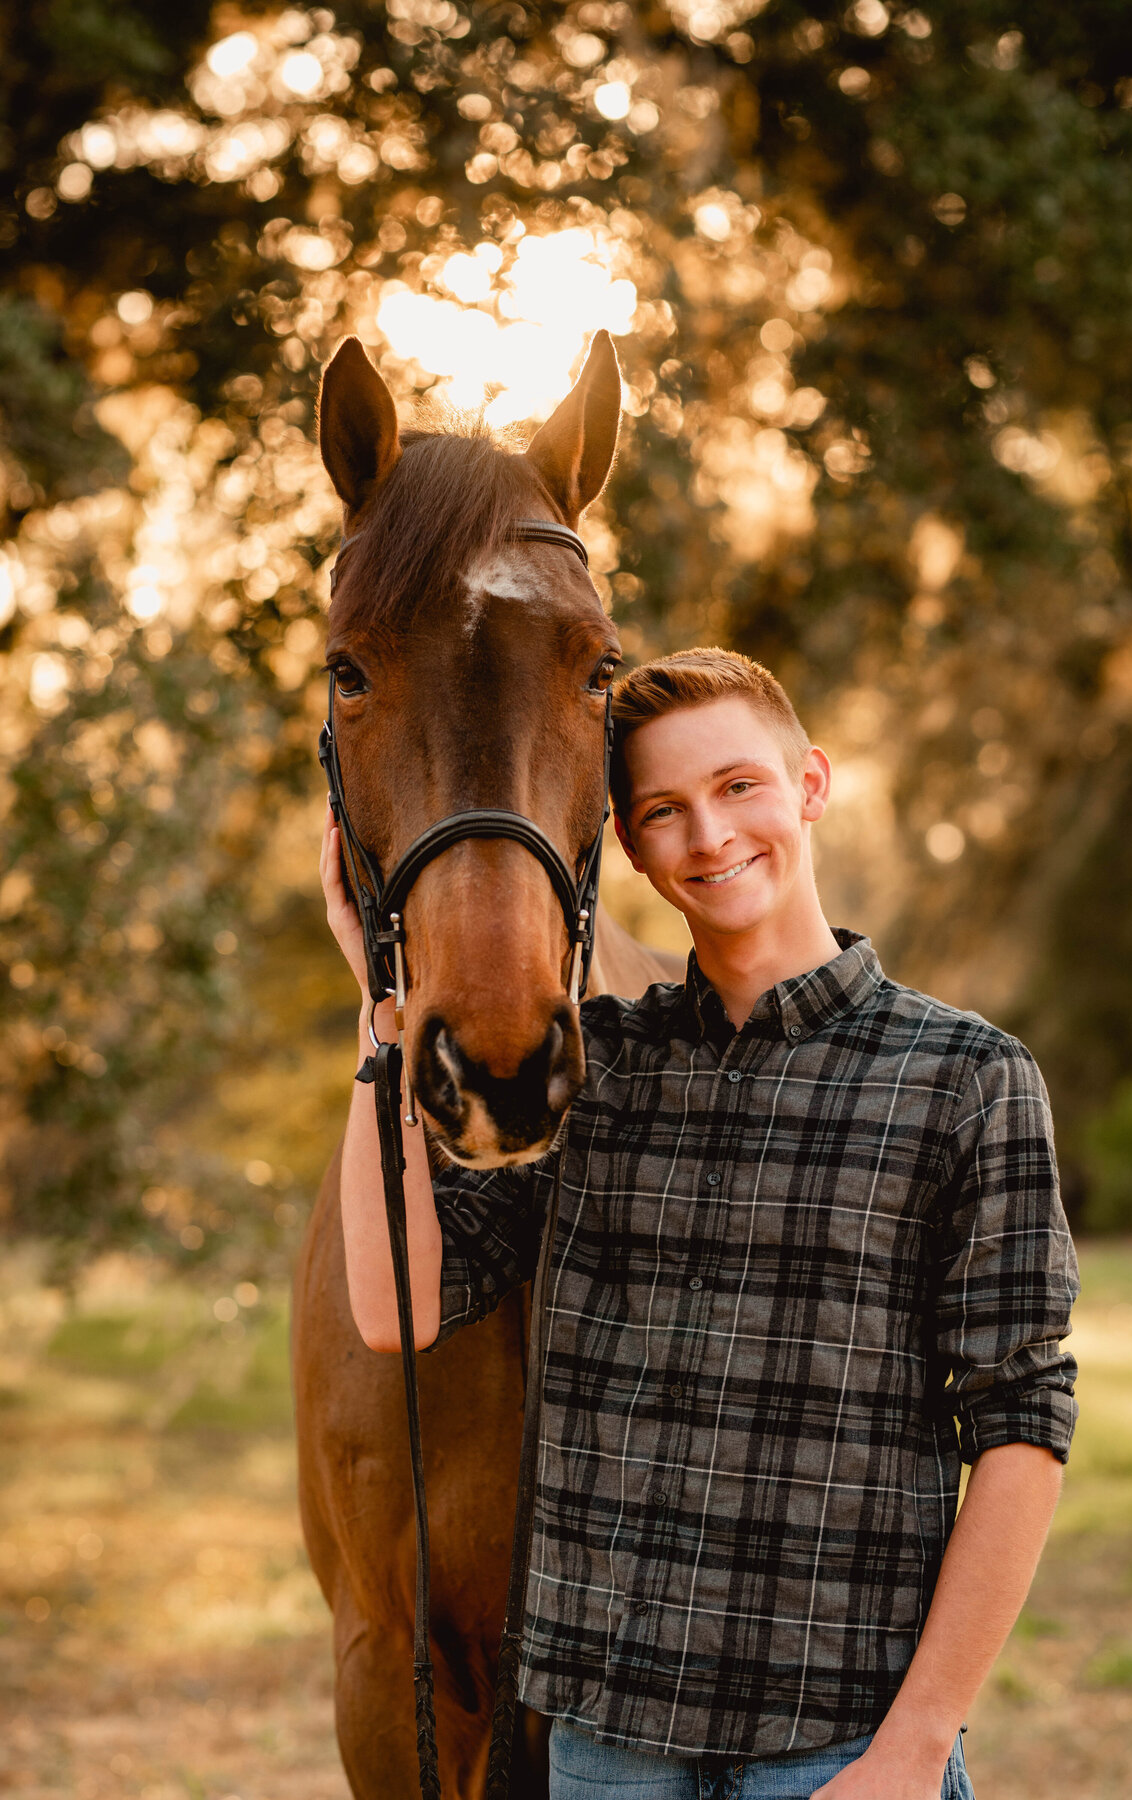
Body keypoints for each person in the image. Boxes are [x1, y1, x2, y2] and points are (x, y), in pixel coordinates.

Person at [322, 646, 1080, 1800]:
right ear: (627, 846)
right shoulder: (601, 1072)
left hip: (841, 1746)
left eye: (738, 788)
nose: (709, 836)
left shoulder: (966, 1079)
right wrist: (386, 1027)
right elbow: (395, 1307)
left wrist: (921, 1743)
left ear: (810, 784)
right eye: (664, 811)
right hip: (606, 1750)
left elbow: (1022, 1427)